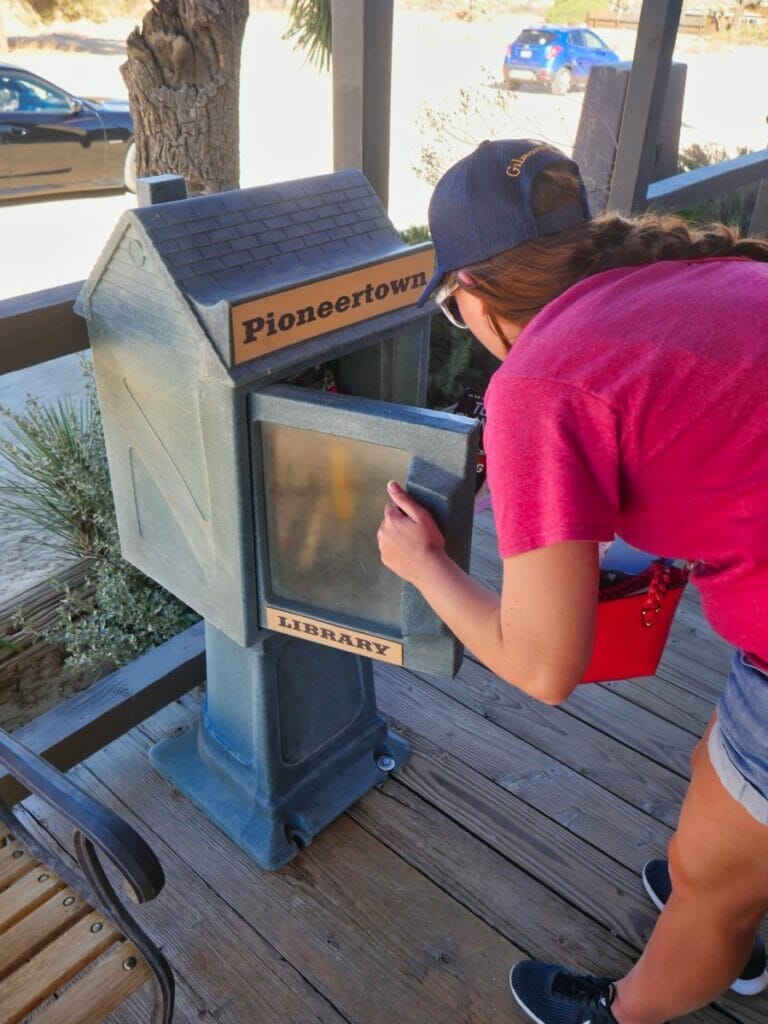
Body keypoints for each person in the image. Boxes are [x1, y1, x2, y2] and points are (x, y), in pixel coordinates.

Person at [376, 138, 768, 1024]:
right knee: (719, 766)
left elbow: (543, 667)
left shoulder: (539, 382)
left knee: (710, 886)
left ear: (469, 295)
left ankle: (650, 985)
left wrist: (425, 564)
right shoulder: (680, 278)